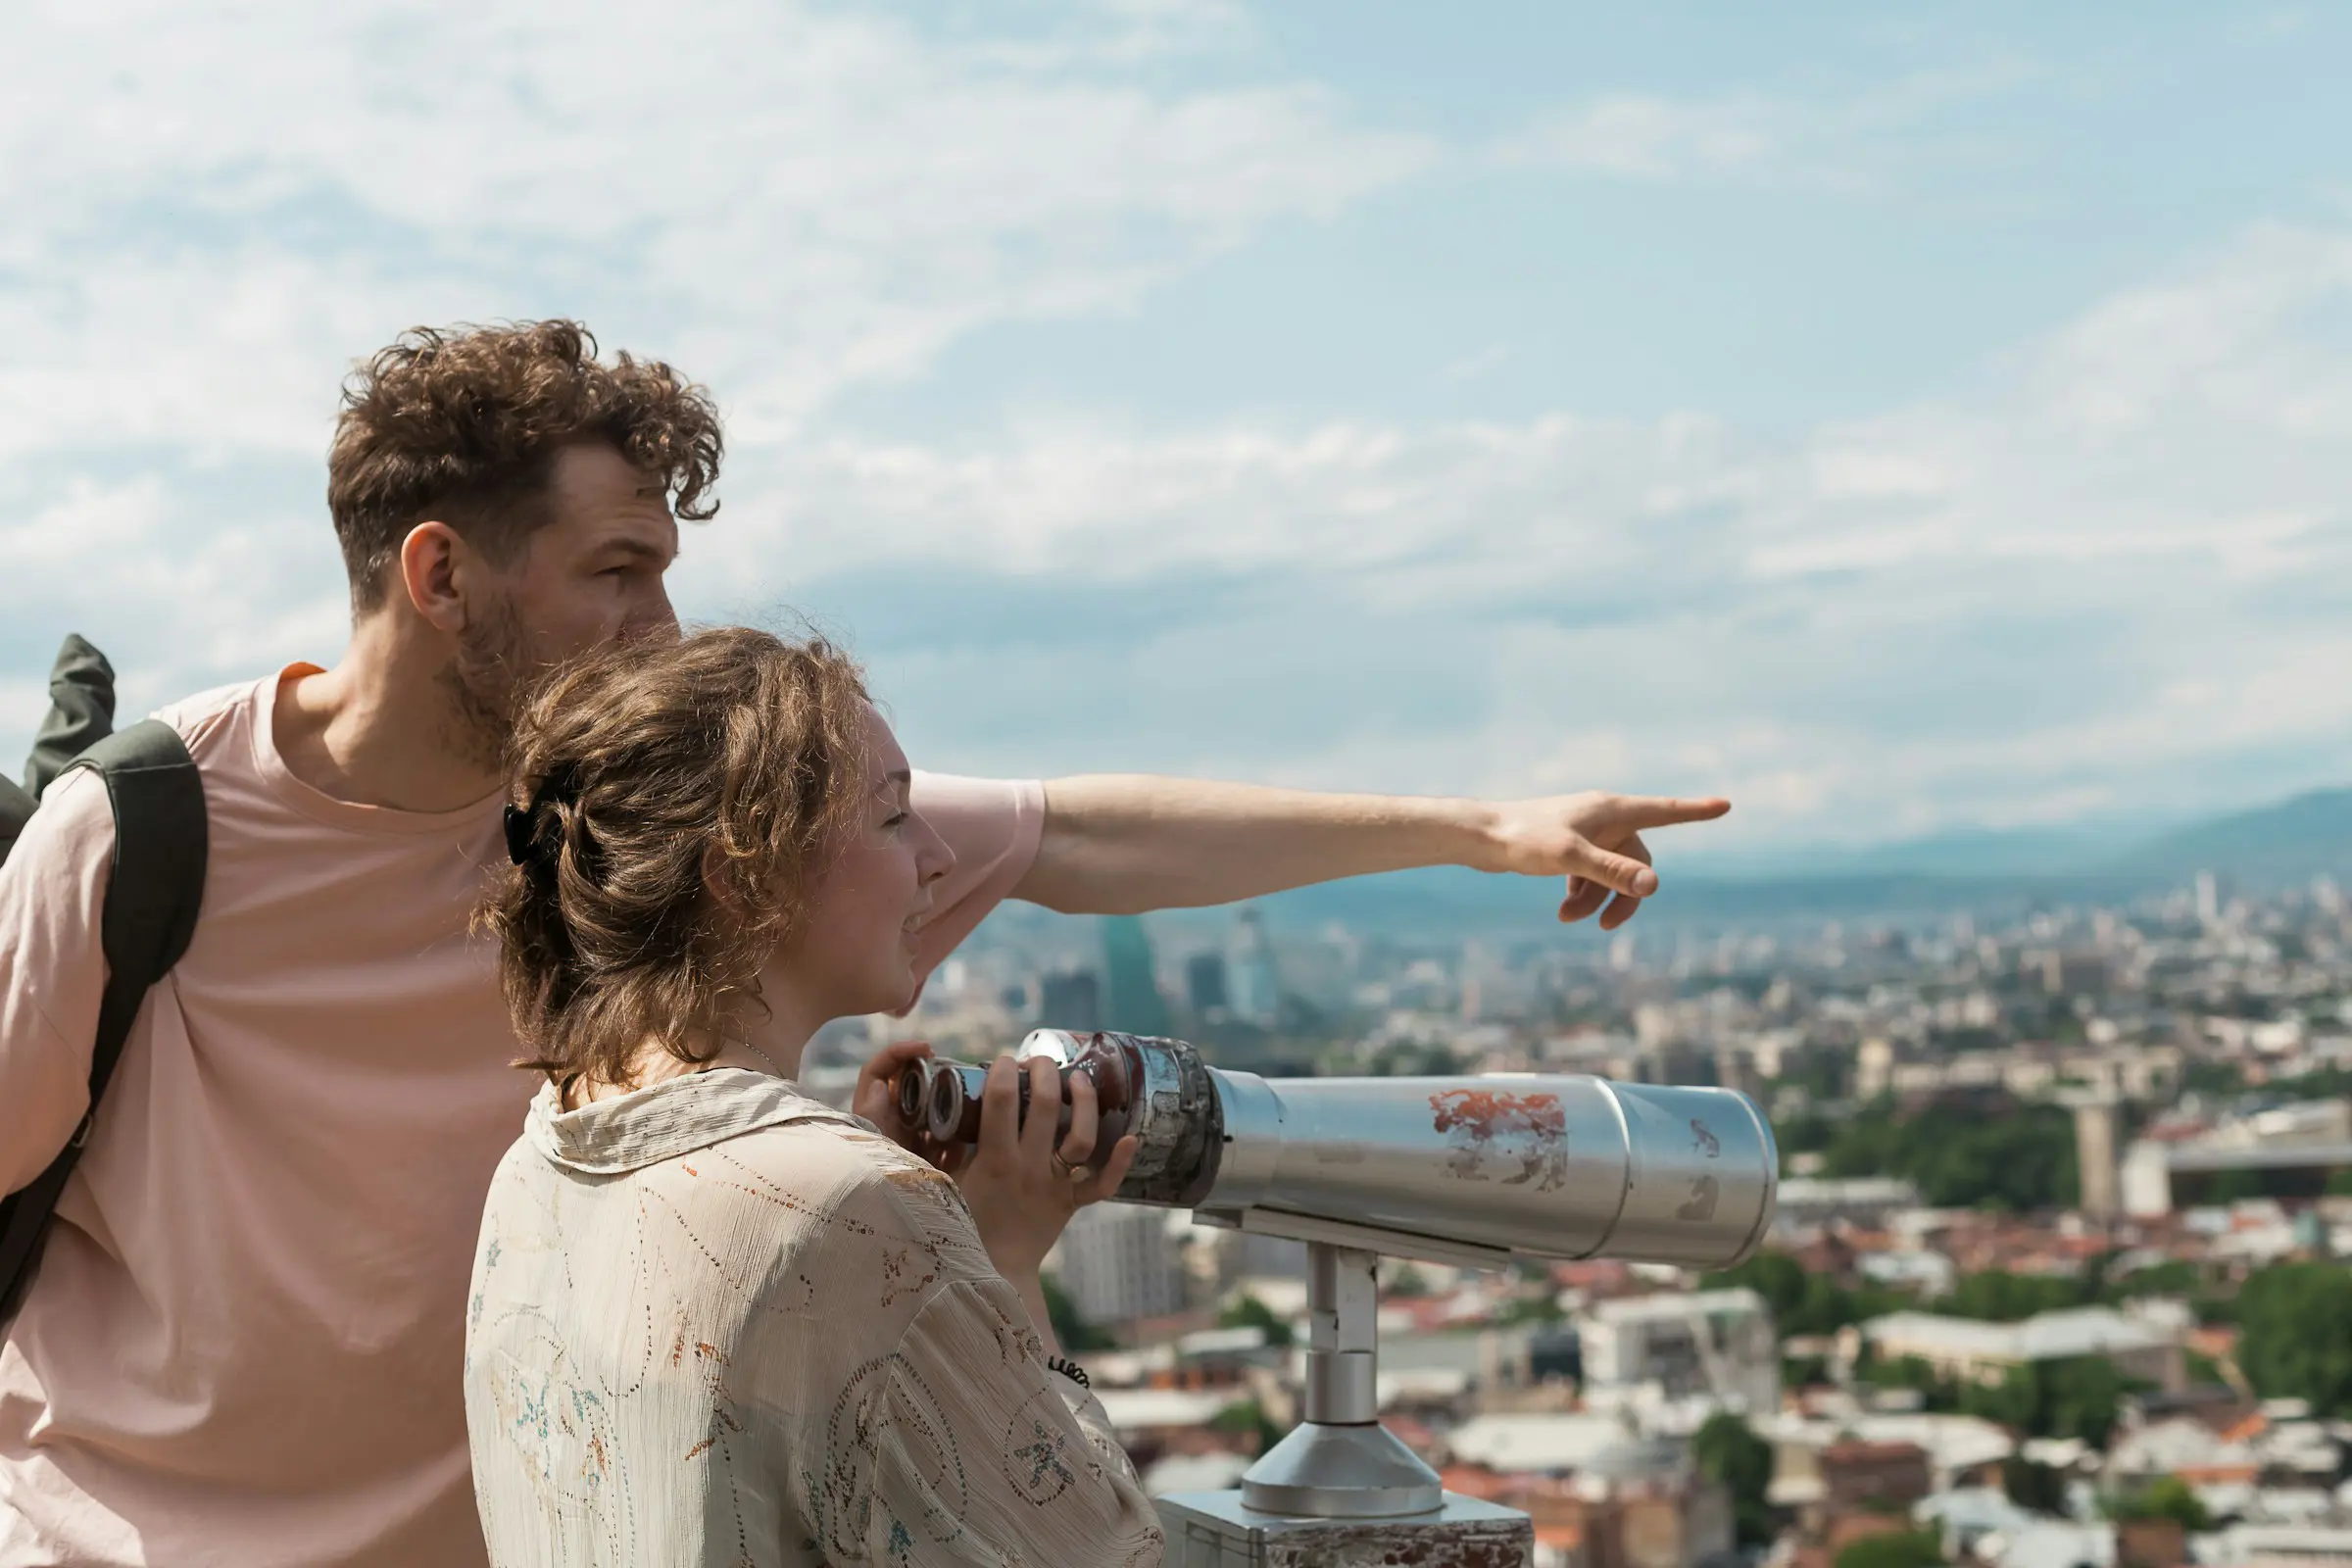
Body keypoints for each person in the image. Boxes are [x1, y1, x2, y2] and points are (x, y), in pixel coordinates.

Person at [0, 318, 1729, 1566]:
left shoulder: (640, 824)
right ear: (442, 575)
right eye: (617, 569)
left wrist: (1472, 831)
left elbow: (1080, 835)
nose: (662, 623)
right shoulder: (142, 839)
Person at [466, 625, 1160, 1567]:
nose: (940, 854)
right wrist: (996, 1259)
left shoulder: (538, 1159)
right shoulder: (852, 1207)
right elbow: (1100, 1554)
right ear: (742, 876)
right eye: (893, 816)